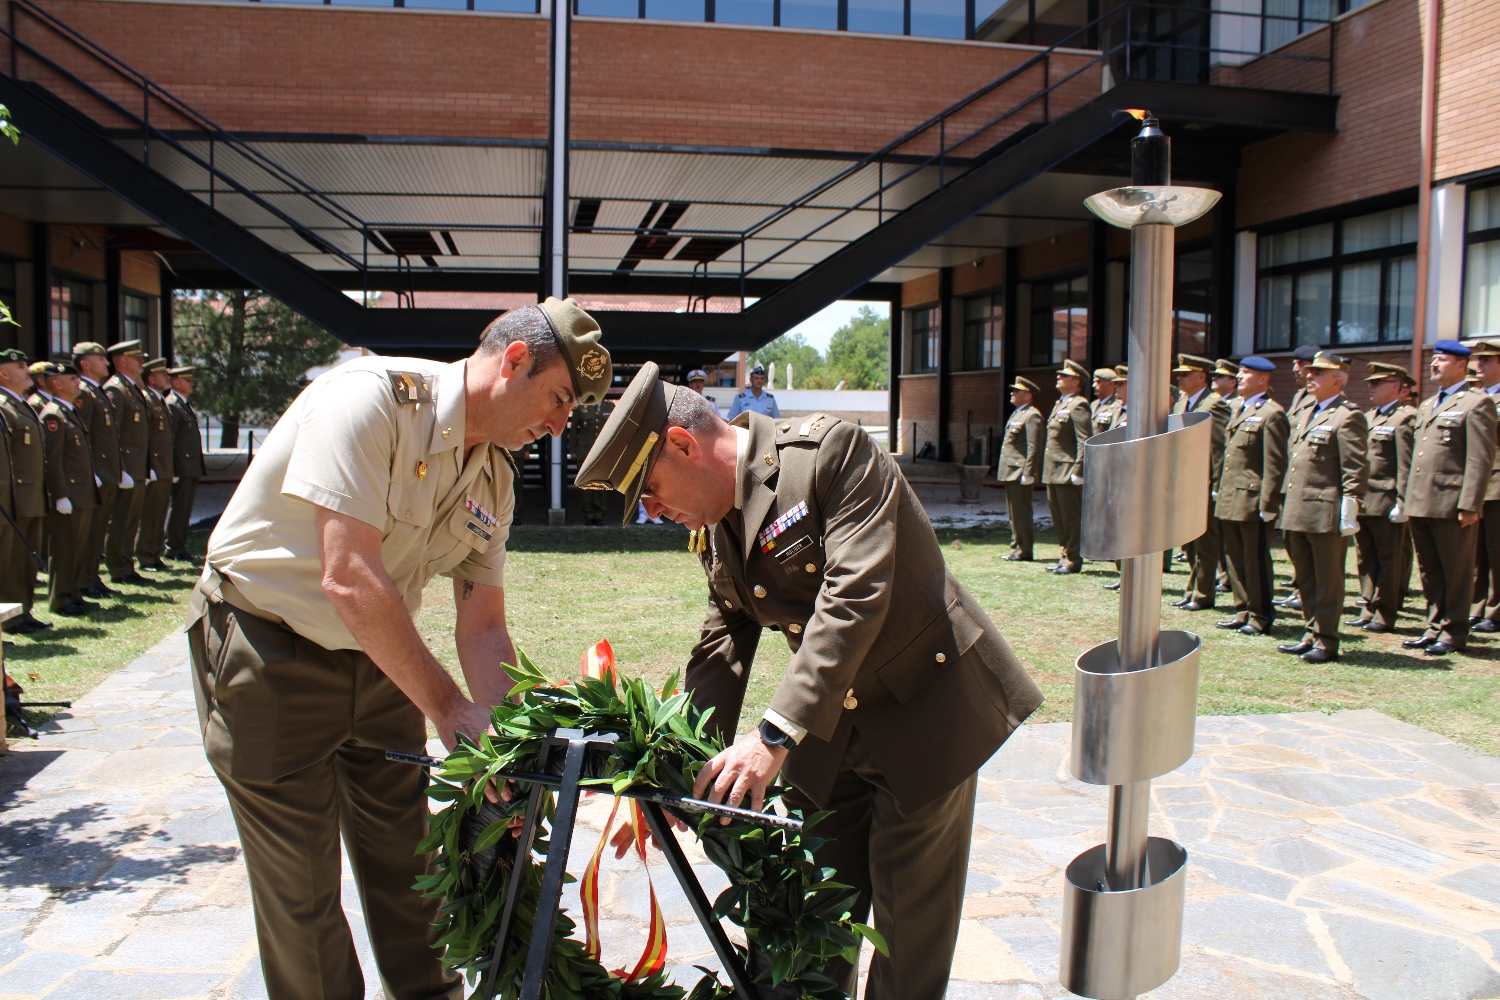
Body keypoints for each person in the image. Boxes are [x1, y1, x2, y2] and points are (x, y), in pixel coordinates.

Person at [186, 298, 611, 1000]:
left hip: (382, 660)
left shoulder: (494, 478)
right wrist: (447, 708)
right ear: (512, 361)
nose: (560, 425)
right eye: (559, 398)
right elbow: (348, 576)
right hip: (267, 652)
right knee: (303, 894)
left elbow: (481, 625)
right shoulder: (370, 401)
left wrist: (509, 744)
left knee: (414, 872)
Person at [576, 362, 1042, 1000]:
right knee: (808, 924)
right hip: (830, 732)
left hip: (925, 719)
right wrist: (672, 772)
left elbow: (853, 598)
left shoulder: (832, 454)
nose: (655, 513)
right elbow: (720, 646)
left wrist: (771, 737)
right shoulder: (720, 526)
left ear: (683, 445)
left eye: (651, 491)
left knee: (907, 946)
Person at [1401, 340, 1498, 656]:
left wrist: (1470, 503)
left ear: (1460, 365)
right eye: (1433, 359)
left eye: (1440, 359)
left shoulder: (1476, 402)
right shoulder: (1428, 405)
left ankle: (1454, 632)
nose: (1433, 364)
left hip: (1451, 501)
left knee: (1456, 570)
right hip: (1422, 500)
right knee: (1429, 570)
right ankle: (1434, 626)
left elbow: (1479, 458)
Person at [1276, 353, 1367, 663]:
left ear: (1337, 381)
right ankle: (1310, 632)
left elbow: (1354, 467)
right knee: (1305, 576)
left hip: (1324, 511)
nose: (1310, 376)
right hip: (1298, 507)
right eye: (1310, 371)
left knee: (1328, 579)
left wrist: (1350, 506)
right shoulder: (1306, 413)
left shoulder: (1347, 416)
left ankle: (1326, 640)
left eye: (1319, 373)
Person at [1213, 357, 1288, 636]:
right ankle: (1242, 609)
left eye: (1246, 373)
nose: (1240, 377)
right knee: (1233, 558)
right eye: (1240, 373)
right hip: (1231, 496)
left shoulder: (1272, 413)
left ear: (1263, 380)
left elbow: (1275, 463)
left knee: (1254, 560)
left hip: (1253, 500)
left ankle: (1260, 615)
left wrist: (1269, 504)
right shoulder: (1235, 408)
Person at [1349, 362, 1417, 634]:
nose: (1371, 387)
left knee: (1389, 560)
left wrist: (1403, 501)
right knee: (1366, 558)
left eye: (1378, 383)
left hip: (1387, 499)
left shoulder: (1404, 417)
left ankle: (1385, 614)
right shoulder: (1368, 417)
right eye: (1370, 382)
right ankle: (1368, 606)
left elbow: (1406, 464)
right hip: (1366, 499)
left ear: (1396, 387)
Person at [1170, 354, 1232, 611]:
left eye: (1185, 374)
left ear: (1201, 376)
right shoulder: (1180, 405)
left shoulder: (1214, 404)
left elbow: (1219, 449)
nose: (1180, 378)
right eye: (1179, 374)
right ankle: (1191, 589)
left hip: (1204, 481)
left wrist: (1217, 484)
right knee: (1189, 540)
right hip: (1184, 481)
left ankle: (1203, 594)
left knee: (1206, 541)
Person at [37, 363, 100, 617]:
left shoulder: (68, 411)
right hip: (69, 494)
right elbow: (52, 461)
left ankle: (72, 593)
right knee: (64, 549)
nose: (78, 383)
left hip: (81, 493)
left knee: (76, 547)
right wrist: (60, 494)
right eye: (72, 379)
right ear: (56, 384)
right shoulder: (53, 415)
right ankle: (60, 599)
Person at [0, 348, 49, 633]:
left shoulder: (20, 403)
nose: (27, 370)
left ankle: (24, 610)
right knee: (11, 559)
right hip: (15, 495)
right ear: (3, 373)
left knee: (26, 558)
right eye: (20, 366)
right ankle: (11, 617)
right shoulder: (5, 405)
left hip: (30, 494)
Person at [72, 341, 123, 599]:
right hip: (96, 473)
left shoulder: (97, 391)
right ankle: (84, 579)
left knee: (98, 530)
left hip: (106, 472)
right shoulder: (82, 392)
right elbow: (82, 436)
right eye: (100, 359)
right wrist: (90, 471)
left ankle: (91, 575)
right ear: (85, 364)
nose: (106, 363)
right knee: (90, 531)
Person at [103, 340, 152, 585]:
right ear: (122, 361)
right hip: (126, 468)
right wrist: (121, 468)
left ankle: (126, 564)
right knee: (121, 520)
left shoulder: (131, 388)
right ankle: (118, 567)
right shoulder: (116, 390)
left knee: (131, 519)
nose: (142, 362)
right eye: (137, 358)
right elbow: (114, 434)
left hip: (137, 467)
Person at [1044, 358, 1093, 574]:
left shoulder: (1078, 404)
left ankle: (1073, 559)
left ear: (1076, 381)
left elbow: (1084, 439)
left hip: (1067, 471)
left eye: (1064, 376)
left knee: (1071, 518)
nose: (1059, 377)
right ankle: (1064, 556)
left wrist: (1079, 470)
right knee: (1059, 517)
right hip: (1053, 470)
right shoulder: (1060, 404)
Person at [1468, 341, 1500, 632]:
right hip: (1475, 484)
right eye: (1479, 359)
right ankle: (1476, 607)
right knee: (1475, 551)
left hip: (1498, 484)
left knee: (1496, 549)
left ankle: (1496, 611)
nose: (1480, 364)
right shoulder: (1475, 398)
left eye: (1487, 360)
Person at [997, 376, 1044, 561]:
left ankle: (1024, 550)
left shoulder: (1032, 415)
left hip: (1019, 471)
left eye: (1017, 391)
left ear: (1027, 395)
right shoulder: (1018, 413)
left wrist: (1029, 472)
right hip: (1010, 470)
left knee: (1021, 512)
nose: (1012, 393)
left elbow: (1034, 446)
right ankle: (1015, 547)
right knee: (1013, 513)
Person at [135, 358, 176, 571]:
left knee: (160, 513)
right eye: (163, 374)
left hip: (163, 467)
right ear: (151, 378)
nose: (167, 378)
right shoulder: (147, 400)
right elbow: (145, 437)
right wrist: (149, 465)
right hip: (155, 467)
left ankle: (153, 553)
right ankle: (145, 555)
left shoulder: (158, 399)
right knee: (150, 514)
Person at [165, 366, 205, 561]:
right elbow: (168, 439)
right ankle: (172, 546)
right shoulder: (172, 404)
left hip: (189, 465)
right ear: (176, 382)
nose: (191, 383)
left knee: (185, 508)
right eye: (187, 380)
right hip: (181, 466)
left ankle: (178, 545)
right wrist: (171, 467)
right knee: (179, 508)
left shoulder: (182, 404)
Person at [1090, 367, 1120, 436]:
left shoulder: (1117, 405)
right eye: (1094, 382)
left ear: (1110, 384)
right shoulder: (1093, 404)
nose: (1094, 385)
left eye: (1098, 382)